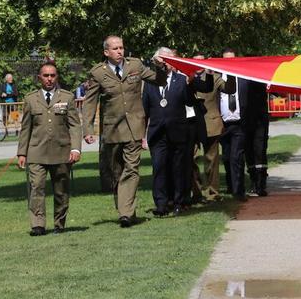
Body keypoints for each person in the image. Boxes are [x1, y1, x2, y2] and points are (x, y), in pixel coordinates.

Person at [82, 35, 166, 228]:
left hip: (135, 126)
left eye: (121, 47)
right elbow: (89, 102)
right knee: (117, 173)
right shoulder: (98, 73)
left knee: (131, 169)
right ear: (106, 52)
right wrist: (87, 129)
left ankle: (125, 214)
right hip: (112, 129)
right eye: (115, 48)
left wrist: (160, 67)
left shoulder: (135, 65)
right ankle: (127, 210)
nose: (120, 51)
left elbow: (159, 81)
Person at [17, 63, 81, 235]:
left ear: (57, 77)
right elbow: (26, 128)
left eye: (52, 75)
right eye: (46, 75)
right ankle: (37, 225)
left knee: (61, 190)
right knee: (36, 187)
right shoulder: (31, 99)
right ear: (39, 78)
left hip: (61, 152)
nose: (49, 79)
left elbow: (75, 126)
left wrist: (76, 149)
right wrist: (22, 153)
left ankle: (59, 223)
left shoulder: (67, 97)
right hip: (36, 152)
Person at [142, 47, 196, 216]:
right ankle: (161, 204)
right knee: (159, 168)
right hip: (157, 133)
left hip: (178, 132)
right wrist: (142, 136)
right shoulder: (150, 83)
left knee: (178, 168)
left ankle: (179, 202)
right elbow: (145, 110)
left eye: (166, 60)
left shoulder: (181, 80)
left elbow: (189, 101)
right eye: (160, 61)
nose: (164, 64)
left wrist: (190, 84)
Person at [190, 55, 223, 203]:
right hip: (192, 124)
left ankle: (212, 192)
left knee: (211, 160)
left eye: (201, 60)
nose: (198, 63)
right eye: (195, 60)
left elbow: (227, 89)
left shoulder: (214, 77)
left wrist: (233, 76)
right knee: (191, 159)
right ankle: (196, 193)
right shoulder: (187, 76)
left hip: (211, 123)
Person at [219, 49, 247, 201]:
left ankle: (239, 190)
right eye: (226, 59)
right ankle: (230, 186)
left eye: (232, 59)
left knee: (237, 157)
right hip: (223, 124)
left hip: (239, 123)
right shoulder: (218, 78)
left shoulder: (243, 77)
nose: (229, 62)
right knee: (227, 157)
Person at [244, 80, 270, 197]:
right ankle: (254, 181)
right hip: (247, 118)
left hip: (260, 118)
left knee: (260, 150)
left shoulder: (259, 78)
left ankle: (260, 183)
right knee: (249, 151)